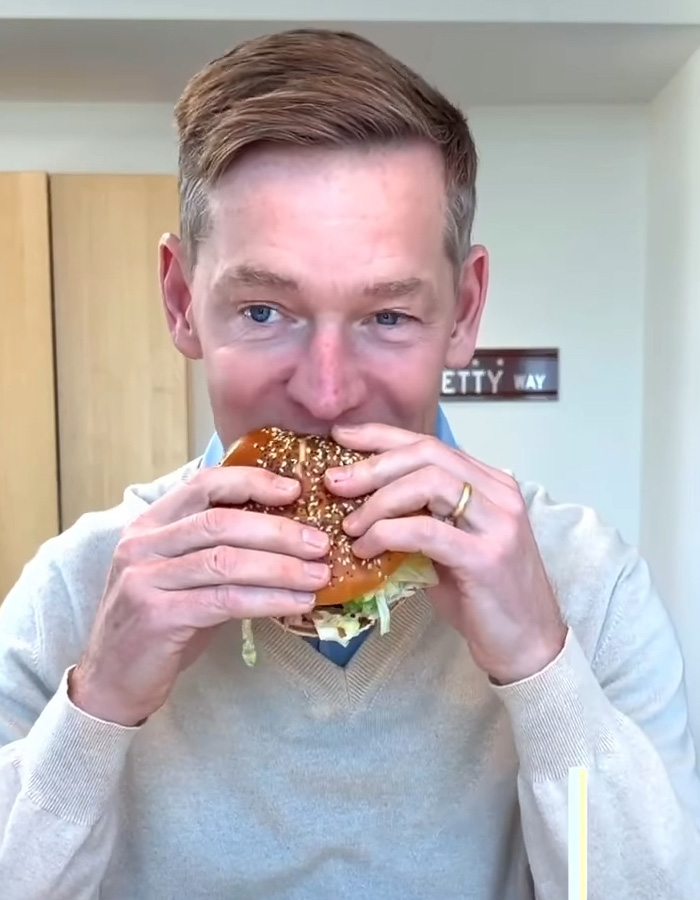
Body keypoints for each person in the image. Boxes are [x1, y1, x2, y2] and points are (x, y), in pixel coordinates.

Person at [0, 27, 699, 900]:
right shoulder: (75, 589)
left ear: (465, 309)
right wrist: (97, 706)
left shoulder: (588, 584)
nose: (327, 394)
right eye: (263, 311)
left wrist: (541, 669)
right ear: (182, 303)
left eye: (388, 317)